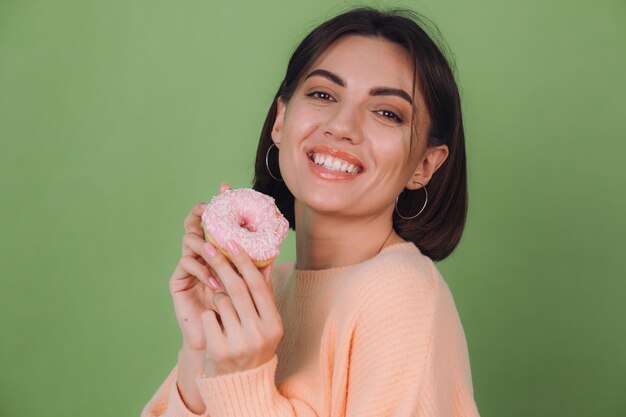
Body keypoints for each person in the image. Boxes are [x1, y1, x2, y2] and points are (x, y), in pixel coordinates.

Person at [142, 6, 480, 417]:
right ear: (281, 120)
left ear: (425, 164)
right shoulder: (270, 291)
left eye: (387, 112)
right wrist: (201, 352)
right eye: (323, 94)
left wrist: (244, 379)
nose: (341, 126)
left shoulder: (399, 293)